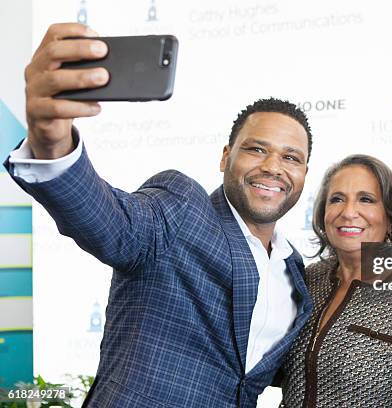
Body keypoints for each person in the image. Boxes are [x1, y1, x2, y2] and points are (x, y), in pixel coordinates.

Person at [4, 23, 315, 407]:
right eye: (256, 149)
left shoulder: (296, 273)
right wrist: (52, 142)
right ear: (225, 157)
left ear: (303, 174)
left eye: (290, 157)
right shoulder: (181, 209)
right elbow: (112, 223)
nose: (273, 167)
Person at [279, 154, 392, 407]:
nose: (348, 213)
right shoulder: (308, 280)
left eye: (365, 199)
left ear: (390, 217)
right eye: (337, 199)